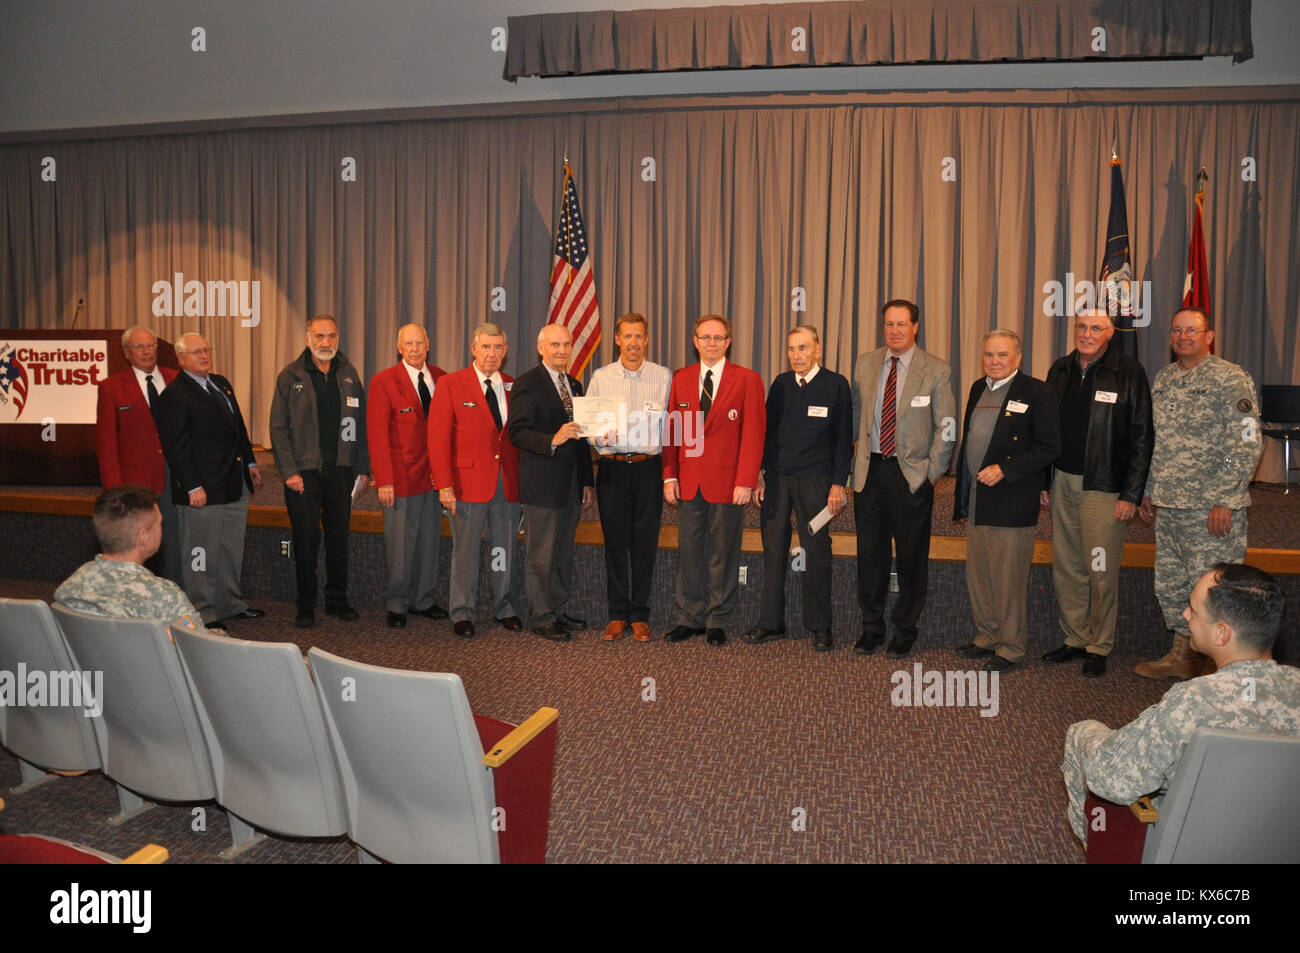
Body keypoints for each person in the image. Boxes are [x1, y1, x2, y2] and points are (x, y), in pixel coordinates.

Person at [1062, 563, 1300, 846]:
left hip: (1193, 845)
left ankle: (1102, 851)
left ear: (1221, 633)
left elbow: (1113, 783)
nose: (1185, 615)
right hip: (1279, 842)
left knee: (1083, 733)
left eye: (1193, 610)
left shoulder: (1192, 701)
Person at [1135, 308, 1263, 680]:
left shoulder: (1229, 377)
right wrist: (1147, 490)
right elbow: (1156, 443)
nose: (1183, 336)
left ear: (1209, 336)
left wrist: (1226, 497)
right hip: (1170, 503)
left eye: (1192, 330)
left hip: (1210, 507)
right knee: (1173, 583)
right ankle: (1183, 656)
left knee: (1213, 586)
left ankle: (1221, 668)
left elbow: (1245, 442)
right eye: (1177, 330)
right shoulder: (1164, 379)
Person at [1041, 310, 1153, 677]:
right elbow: (1044, 430)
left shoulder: (1129, 372)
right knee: (1068, 566)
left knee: (1100, 568)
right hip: (1063, 483)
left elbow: (1141, 437)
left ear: (1109, 334)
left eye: (1095, 328)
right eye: (1081, 327)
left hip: (1105, 490)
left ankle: (1099, 645)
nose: (1087, 334)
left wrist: (1131, 495)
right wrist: (1045, 481)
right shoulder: (1059, 369)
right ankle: (1074, 638)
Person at [849, 299, 956, 658]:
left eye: (901, 324)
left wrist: (931, 474)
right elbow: (855, 416)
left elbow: (947, 427)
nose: (894, 331)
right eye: (888, 324)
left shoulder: (936, 370)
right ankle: (871, 627)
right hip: (870, 472)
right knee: (870, 554)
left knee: (911, 556)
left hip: (911, 475)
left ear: (915, 327)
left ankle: (905, 628)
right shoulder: (865, 364)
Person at [952, 329, 1060, 672]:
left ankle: (1010, 648)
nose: (994, 361)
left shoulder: (1037, 392)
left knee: (1008, 578)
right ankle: (986, 637)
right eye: (989, 355)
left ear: (1018, 358)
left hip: (1013, 497)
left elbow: (1049, 447)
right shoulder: (977, 388)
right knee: (980, 574)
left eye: (1002, 355)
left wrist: (1006, 469)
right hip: (978, 497)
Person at [744, 325, 851, 651]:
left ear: (817, 350)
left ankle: (820, 626)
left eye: (803, 348)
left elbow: (844, 438)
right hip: (777, 479)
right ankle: (770, 623)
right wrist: (760, 472)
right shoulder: (780, 384)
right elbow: (766, 431)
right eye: (792, 349)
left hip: (817, 482)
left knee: (816, 551)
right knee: (773, 551)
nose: (796, 355)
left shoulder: (836, 385)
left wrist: (838, 483)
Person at [662, 314, 766, 646]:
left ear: (728, 342)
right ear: (695, 341)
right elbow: (675, 433)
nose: (711, 343)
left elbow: (753, 435)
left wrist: (746, 481)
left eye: (718, 338)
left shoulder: (747, 379)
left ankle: (717, 619)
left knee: (723, 553)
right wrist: (670, 476)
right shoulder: (682, 378)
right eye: (705, 337)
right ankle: (689, 617)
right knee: (690, 551)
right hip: (690, 482)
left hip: (729, 484)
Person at [153, 332, 263, 627]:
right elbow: (176, 448)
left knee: (229, 546)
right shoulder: (174, 395)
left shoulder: (221, 383)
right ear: (181, 359)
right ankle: (203, 610)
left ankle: (230, 603)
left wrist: (250, 460)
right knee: (200, 551)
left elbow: (238, 425)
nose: (204, 355)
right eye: (196, 352)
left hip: (233, 480)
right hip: (201, 487)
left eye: (206, 350)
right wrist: (192, 486)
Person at [268, 314, 370, 628]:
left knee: (339, 539)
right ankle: (306, 605)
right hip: (303, 474)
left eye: (331, 336)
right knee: (306, 540)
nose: (326, 343)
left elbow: (361, 425)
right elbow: (277, 428)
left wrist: (363, 469)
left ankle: (337, 601)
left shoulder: (349, 373)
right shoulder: (291, 375)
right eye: (320, 336)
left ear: (338, 338)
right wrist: (289, 472)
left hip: (341, 472)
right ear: (307, 338)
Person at [586, 313, 672, 642]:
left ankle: (640, 615)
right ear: (617, 340)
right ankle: (617, 614)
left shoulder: (663, 377)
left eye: (639, 336)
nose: (634, 343)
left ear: (646, 340)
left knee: (645, 542)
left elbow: (676, 429)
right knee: (615, 543)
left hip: (648, 469)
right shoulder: (601, 377)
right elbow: (590, 430)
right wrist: (598, 437)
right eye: (627, 337)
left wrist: (670, 476)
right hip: (612, 469)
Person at [507, 323, 595, 641]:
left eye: (566, 345)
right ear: (541, 347)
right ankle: (541, 615)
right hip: (541, 485)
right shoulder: (527, 384)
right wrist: (552, 439)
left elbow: (582, 438)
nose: (561, 350)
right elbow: (517, 432)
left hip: (571, 485)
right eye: (555, 345)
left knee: (561, 552)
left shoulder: (574, 384)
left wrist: (587, 482)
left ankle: (558, 609)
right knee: (540, 554)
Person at [367, 323, 447, 629]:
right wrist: (383, 478)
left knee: (429, 542)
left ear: (428, 344)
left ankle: (423, 600)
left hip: (433, 478)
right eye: (408, 344)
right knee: (400, 545)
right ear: (399, 348)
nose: (414, 349)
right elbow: (376, 434)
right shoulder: (384, 381)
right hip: (399, 479)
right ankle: (397, 604)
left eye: (419, 343)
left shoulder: (441, 377)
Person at [55, 484, 214, 632]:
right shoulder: (164, 597)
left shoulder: (71, 586)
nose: (161, 530)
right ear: (143, 537)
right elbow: (199, 651)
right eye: (159, 524)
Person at [95, 326, 182, 584]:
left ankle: (177, 594)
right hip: (136, 481)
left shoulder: (177, 379)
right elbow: (106, 444)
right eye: (139, 347)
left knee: (177, 541)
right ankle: (138, 594)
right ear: (126, 353)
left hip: (177, 476)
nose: (146, 352)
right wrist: (114, 491)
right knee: (138, 543)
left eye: (150, 346)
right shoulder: (111, 387)